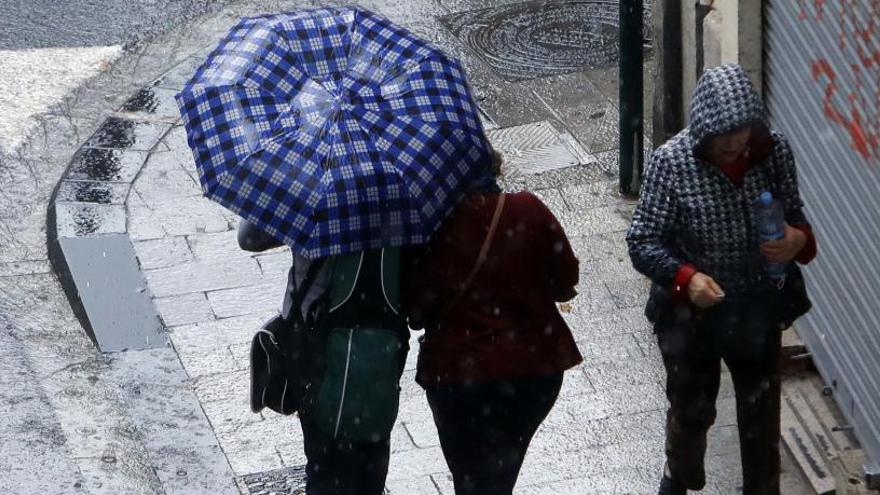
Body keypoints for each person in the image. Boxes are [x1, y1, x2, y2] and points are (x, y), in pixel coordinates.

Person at [626, 64, 817, 495]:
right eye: (725, 140)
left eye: (742, 136)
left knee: (761, 417)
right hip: (693, 317)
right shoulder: (671, 163)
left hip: (758, 307)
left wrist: (796, 240)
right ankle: (679, 475)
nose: (736, 147)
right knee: (691, 411)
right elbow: (641, 241)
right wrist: (686, 278)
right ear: (704, 133)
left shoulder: (773, 152)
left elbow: (799, 227)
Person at [403, 151, 583, 495]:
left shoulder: (427, 227)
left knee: (471, 478)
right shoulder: (528, 209)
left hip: (457, 376)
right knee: (500, 473)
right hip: (532, 370)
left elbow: (415, 311)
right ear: (493, 166)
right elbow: (565, 280)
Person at [238, 222, 407, 495]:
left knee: (324, 463)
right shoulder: (391, 201)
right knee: (371, 461)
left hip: (315, 356)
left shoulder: (315, 197)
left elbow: (249, 238)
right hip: (378, 355)